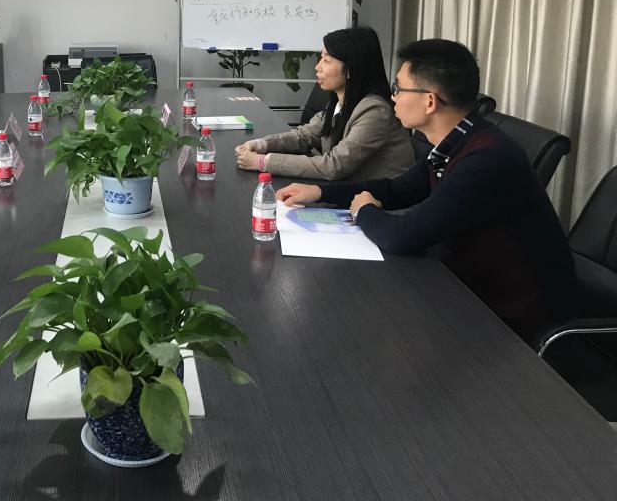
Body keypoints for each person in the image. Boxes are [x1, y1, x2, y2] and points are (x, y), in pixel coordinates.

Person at [278, 39, 576, 341]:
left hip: (511, 320)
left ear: (430, 101)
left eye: (398, 88)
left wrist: (364, 210)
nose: (392, 97)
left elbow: (403, 236)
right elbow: (397, 190)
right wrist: (320, 192)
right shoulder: (456, 141)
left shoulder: (486, 158)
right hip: (464, 287)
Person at [234, 27, 412, 181]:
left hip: (381, 204)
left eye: (326, 61)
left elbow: (333, 166)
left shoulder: (375, 111)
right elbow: (304, 136)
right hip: (349, 193)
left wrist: (263, 162)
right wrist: (261, 145)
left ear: (350, 69)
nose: (317, 67)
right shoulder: (340, 103)